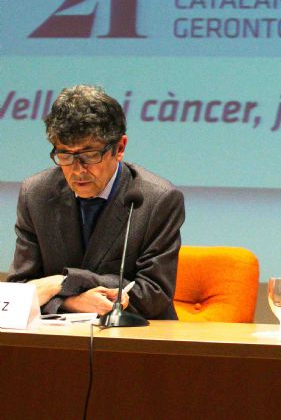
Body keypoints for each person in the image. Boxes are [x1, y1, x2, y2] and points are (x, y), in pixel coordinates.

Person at [8, 85, 185, 319]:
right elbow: (20, 289)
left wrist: (63, 282)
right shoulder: (36, 194)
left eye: (90, 155)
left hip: (136, 333)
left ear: (119, 148)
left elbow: (152, 294)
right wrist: (72, 302)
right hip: (59, 336)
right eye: (65, 155)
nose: (77, 170)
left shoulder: (158, 199)